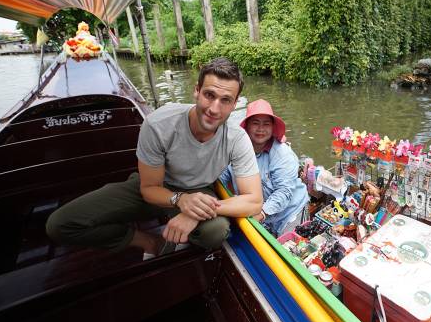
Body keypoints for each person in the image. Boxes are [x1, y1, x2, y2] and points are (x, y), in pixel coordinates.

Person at [46, 58, 263, 256]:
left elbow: (254, 201)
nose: (215, 109)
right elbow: (149, 188)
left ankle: (187, 250)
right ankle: (149, 242)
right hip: (156, 187)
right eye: (209, 95)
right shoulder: (160, 124)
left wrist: (194, 212)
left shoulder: (236, 138)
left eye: (225, 100)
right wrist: (180, 200)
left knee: (215, 232)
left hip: (198, 191)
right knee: (60, 224)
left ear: (234, 105)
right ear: (196, 91)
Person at [219, 99, 309, 237]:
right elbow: (221, 178)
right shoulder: (236, 149)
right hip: (257, 212)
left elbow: (284, 192)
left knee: (290, 247)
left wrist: (261, 214)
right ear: (247, 126)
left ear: (272, 128)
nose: (261, 129)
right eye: (255, 123)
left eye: (266, 124)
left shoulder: (282, 153)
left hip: (290, 212)